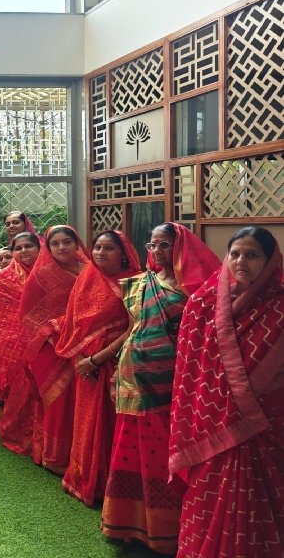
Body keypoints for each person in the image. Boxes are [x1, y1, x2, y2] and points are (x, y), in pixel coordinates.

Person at [100, 222, 221, 555]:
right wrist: (115, 373)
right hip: (133, 377)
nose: (157, 251)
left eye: (165, 244)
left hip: (172, 383)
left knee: (164, 452)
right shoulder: (142, 283)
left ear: (181, 247)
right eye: (152, 245)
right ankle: (128, 522)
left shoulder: (198, 287)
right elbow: (133, 329)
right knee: (129, 448)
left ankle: (167, 528)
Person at [170, 226, 284, 557]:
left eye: (252, 255)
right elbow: (190, 368)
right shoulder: (201, 304)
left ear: (270, 261)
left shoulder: (280, 304)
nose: (241, 261)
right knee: (209, 494)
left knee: (263, 498)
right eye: (235, 254)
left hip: (268, 420)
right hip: (210, 423)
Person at [53, 230, 141, 505]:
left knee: (111, 422)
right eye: (97, 247)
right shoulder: (87, 278)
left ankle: (110, 487)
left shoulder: (134, 283)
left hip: (117, 361)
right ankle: (84, 477)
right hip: (85, 364)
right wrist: (83, 358)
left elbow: (134, 328)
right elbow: (74, 323)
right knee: (88, 419)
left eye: (109, 248)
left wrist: (98, 358)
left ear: (123, 254)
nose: (101, 252)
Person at [18, 226, 89, 474]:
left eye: (66, 241)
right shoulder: (41, 276)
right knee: (58, 402)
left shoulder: (91, 271)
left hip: (87, 345)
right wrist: (58, 339)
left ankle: (81, 457)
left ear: (77, 244)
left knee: (82, 401)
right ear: (48, 248)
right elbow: (28, 316)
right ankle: (54, 457)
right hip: (51, 348)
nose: (61, 247)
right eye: (55, 243)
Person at [0, 232, 40, 456]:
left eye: (29, 246)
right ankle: (17, 433)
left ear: (40, 248)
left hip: (48, 342)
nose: (23, 251)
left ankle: (44, 440)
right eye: (18, 248)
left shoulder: (49, 273)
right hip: (13, 344)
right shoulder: (4, 279)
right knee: (20, 386)